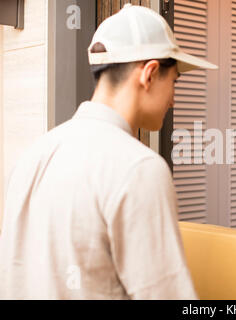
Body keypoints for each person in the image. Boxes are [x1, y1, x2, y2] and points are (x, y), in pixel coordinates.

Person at [0, 4, 217, 299]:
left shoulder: (33, 156)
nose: (173, 100)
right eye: (174, 81)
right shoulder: (140, 167)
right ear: (150, 73)